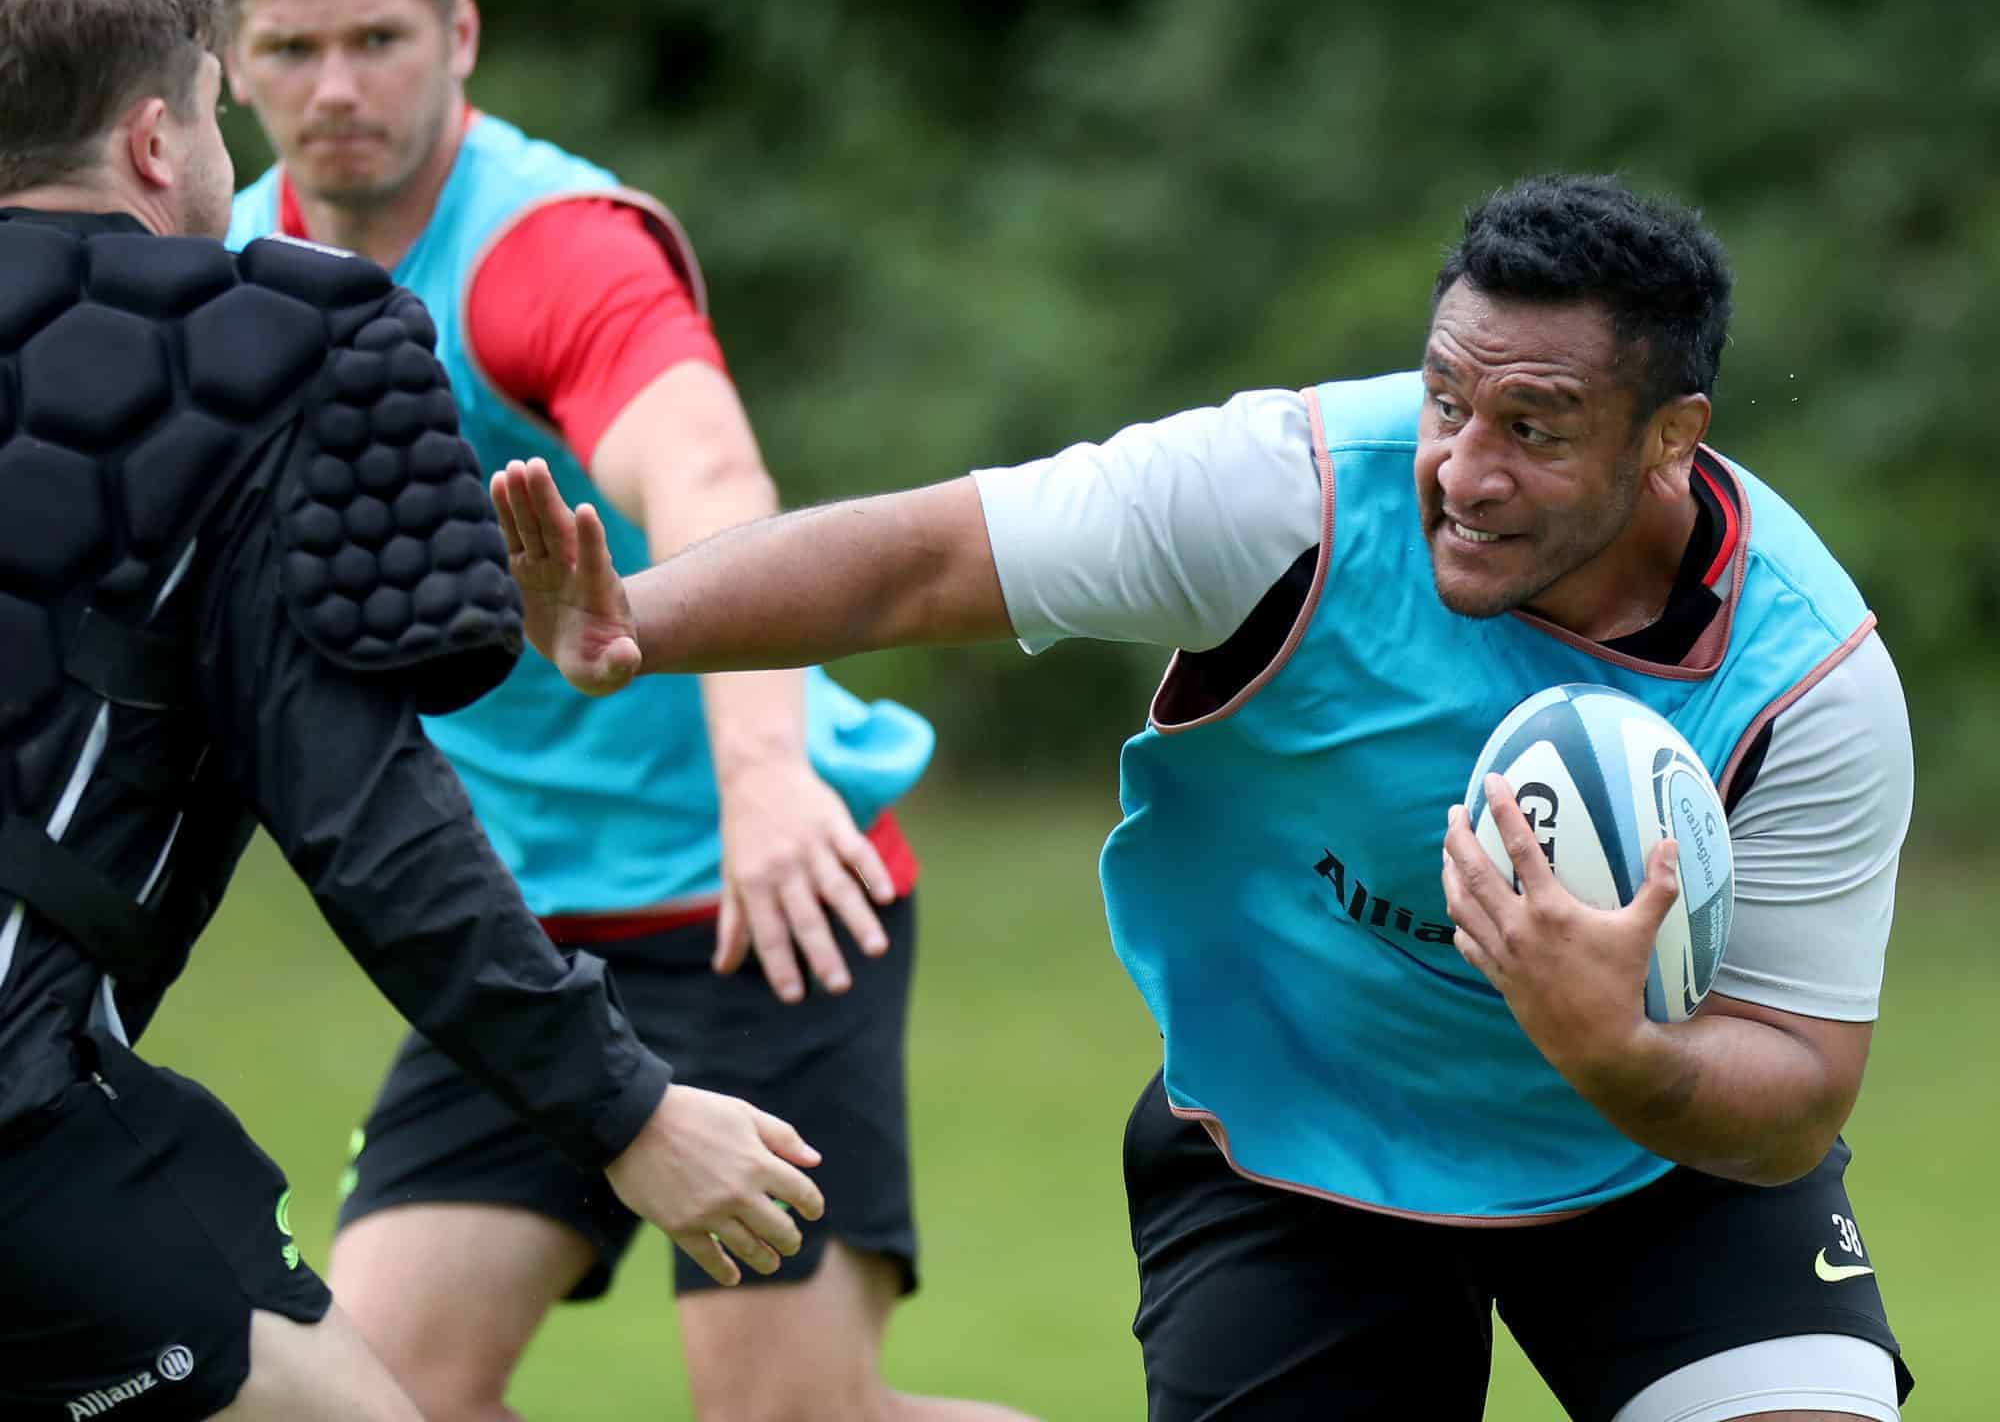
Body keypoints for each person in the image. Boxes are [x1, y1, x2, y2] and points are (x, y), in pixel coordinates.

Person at [494, 173, 1918, 1422]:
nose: (1464, 470)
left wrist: (1616, 1053)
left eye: (1536, 429)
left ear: (1673, 439)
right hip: (1295, 1132)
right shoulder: (1286, 495)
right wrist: (641, 620)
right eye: (1444, 400)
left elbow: (1794, 1096)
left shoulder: (1803, 683)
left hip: (1647, 1166)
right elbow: (924, 561)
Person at [209, 0, 1032, 1422]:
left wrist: (766, 777)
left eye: (375, 40)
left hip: (761, 888)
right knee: (388, 1398)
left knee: (790, 1419)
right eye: (291, 50)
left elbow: (711, 477)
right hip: (519, 930)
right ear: (233, 65)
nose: (334, 89)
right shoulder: (237, 278)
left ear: (458, 37)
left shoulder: (548, 249)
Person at [0, 0, 824, 1422]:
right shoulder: (264, 349)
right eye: (227, 101)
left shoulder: (545, 236)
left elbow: (692, 453)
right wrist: (625, 1113)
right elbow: (362, 819)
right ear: (152, 132)